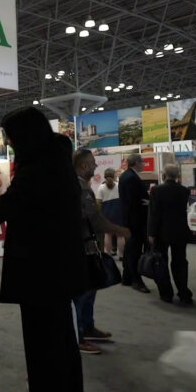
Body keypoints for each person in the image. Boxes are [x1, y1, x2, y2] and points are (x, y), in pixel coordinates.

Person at [0, 107, 88, 392]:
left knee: (44, 357)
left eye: (10, 136)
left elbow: (8, 206)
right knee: (62, 353)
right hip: (58, 273)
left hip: (40, 276)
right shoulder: (56, 160)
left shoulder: (37, 169)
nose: (8, 142)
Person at [72, 149, 130, 355]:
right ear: (84, 166)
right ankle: (78, 335)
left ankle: (87, 327)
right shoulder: (81, 189)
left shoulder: (79, 187)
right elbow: (95, 220)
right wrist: (120, 230)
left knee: (90, 290)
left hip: (87, 247)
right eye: (93, 163)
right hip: (83, 249)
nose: (96, 166)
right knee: (82, 294)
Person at [147, 164, 194, 305]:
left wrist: (151, 233)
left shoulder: (156, 190)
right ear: (178, 175)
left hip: (162, 231)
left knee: (161, 262)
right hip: (180, 230)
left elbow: (154, 214)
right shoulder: (184, 190)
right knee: (180, 261)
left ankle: (166, 293)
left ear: (163, 175)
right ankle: (183, 292)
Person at [118, 154, 151, 293]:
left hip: (131, 219)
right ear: (136, 163)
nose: (144, 164)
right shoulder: (131, 178)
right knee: (135, 250)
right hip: (135, 220)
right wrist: (148, 202)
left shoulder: (127, 176)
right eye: (142, 162)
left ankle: (127, 277)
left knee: (130, 249)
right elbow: (133, 200)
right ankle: (136, 280)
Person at [96, 168, 123, 257]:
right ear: (114, 176)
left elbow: (98, 202)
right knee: (120, 235)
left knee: (108, 234)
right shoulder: (119, 185)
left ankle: (108, 254)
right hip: (118, 211)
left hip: (106, 212)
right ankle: (121, 255)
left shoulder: (101, 187)